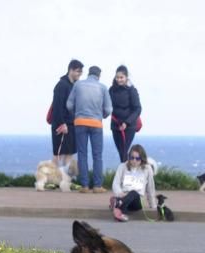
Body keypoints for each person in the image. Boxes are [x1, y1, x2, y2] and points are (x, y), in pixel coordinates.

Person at [66, 65, 112, 193]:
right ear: (99, 76)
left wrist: (77, 113)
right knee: (97, 155)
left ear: (88, 74)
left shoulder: (78, 85)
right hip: (96, 123)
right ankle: (97, 186)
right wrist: (101, 115)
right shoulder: (103, 87)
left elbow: (69, 104)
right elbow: (108, 109)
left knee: (82, 154)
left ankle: (85, 186)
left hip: (80, 122)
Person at [50, 59, 82, 173]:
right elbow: (57, 107)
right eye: (78, 71)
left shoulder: (73, 86)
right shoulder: (61, 85)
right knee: (58, 155)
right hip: (62, 125)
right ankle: (51, 180)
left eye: (81, 72)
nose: (79, 74)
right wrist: (62, 123)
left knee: (69, 153)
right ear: (71, 70)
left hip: (71, 125)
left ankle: (65, 179)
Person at [109, 144, 156, 222]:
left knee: (133, 193)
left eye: (137, 158)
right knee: (126, 196)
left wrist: (152, 204)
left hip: (137, 201)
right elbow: (115, 183)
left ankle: (118, 204)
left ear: (142, 159)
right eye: (132, 158)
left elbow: (150, 187)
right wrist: (119, 192)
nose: (134, 161)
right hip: (124, 196)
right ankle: (120, 210)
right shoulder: (122, 167)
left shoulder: (147, 169)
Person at [109, 65, 142, 163]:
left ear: (126, 77)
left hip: (128, 126)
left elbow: (138, 108)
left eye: (121, 77)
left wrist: (126, 123)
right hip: (116, 125)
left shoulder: (131, 90)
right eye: (117, 77)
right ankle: (126, 172)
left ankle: (126, 174)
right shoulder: (111, 90)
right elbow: (107, 105)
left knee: (124, 151)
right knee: (120, 152)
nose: (119, 80)